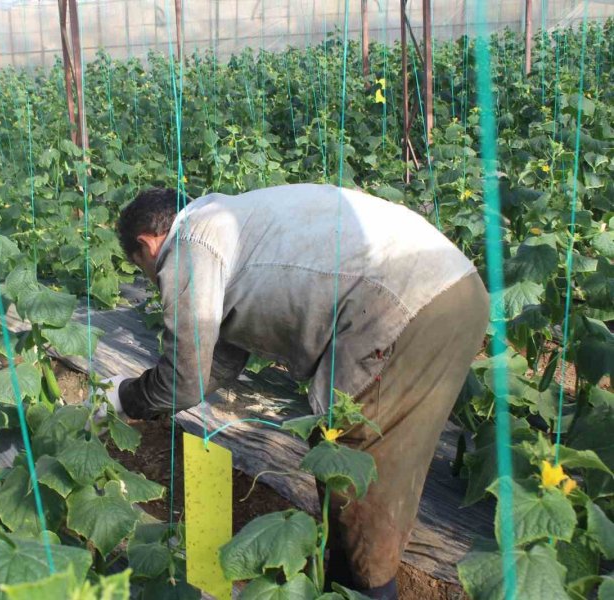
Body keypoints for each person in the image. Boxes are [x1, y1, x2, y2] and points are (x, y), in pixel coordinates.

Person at [104, 184, 489, 599]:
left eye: (141, 266)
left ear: (146, 244)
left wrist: (124, 397)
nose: (151, 277)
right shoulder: (225, 221)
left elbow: (185, 380)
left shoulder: (189, 243)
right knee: (389, 463)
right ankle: (344, 583)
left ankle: (369, 589)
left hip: (401, 305)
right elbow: (222, 360)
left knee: (350, 466)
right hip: (455, 291)